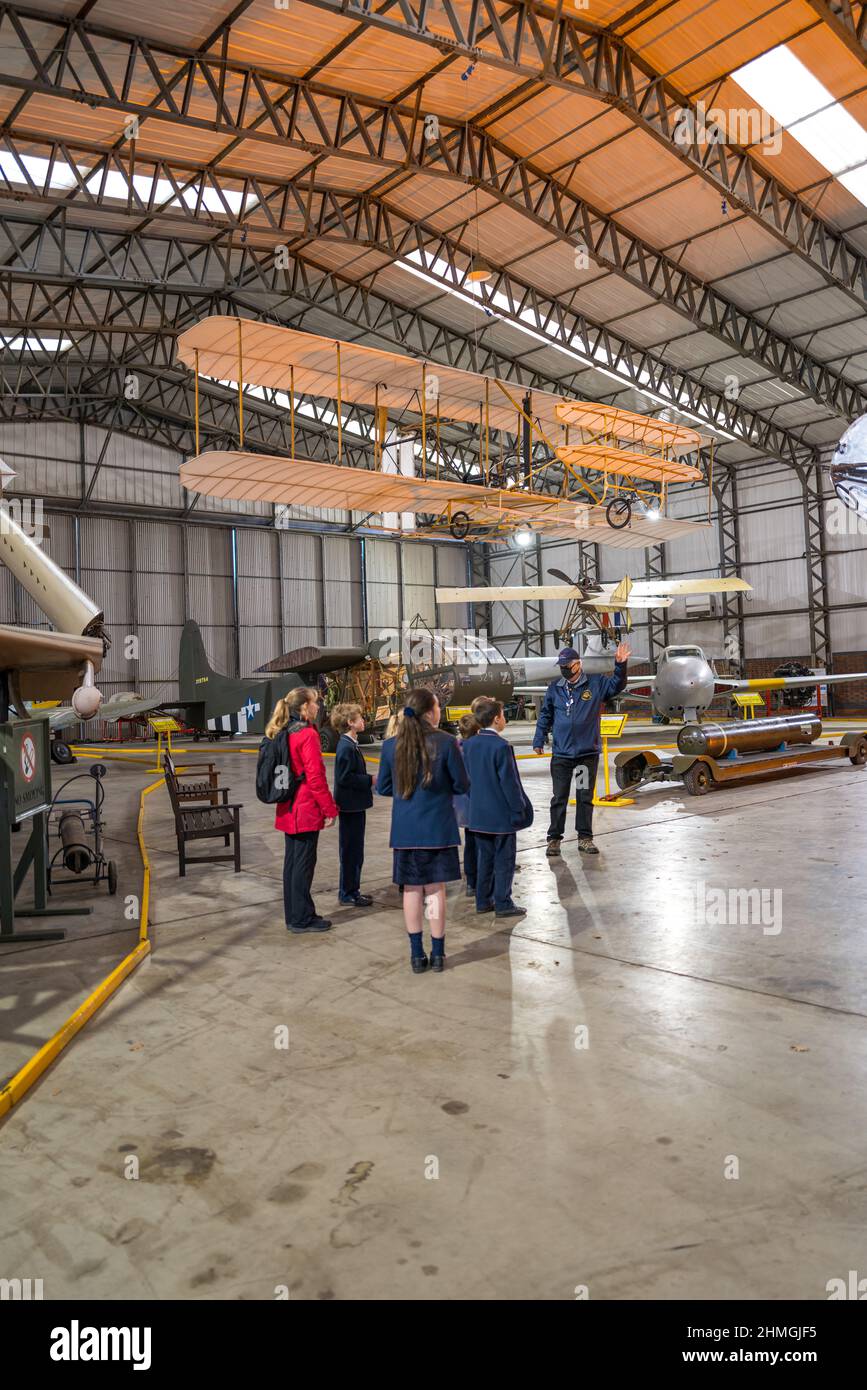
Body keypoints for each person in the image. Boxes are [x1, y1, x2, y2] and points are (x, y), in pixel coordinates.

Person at [376, 687, 469, 974]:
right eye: (439, 706)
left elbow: (384, 786)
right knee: (435, 890)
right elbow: (462, 784)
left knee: (412, 890)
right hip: (438, 828)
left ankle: (417, 955)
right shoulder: (446, 742)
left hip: (406, 830)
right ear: (430, 711)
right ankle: (438, 954)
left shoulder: (391, 746)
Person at [533, 642, 631, 857]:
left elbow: (617, 685)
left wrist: (620, 665)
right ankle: (554, 840)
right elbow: (546, 715)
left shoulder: (596, 684)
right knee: (559, 798)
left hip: (585, 757)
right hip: (561, 756)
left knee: (584, 796)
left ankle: (585, 838)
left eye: (568, 665)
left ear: (578, 664)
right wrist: (539, 738)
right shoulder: (555, 688)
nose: (564, 668)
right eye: (562, 665)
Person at [268, 686, 338, 933]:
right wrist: (329, 809)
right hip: (305, 808)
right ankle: (300, 919)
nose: (318, 707)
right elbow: (316, 777)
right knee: (303, 865)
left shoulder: (284, 730)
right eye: (315, 703)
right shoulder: (307, 734)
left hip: (287, 806)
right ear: (304, 707)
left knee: (292, 864)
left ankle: (297, 914)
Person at [463, 696, 533, 918]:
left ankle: (483, 900)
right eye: (503, 716)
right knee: (504, 861)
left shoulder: (469, 744)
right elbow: (509, 783)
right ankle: (503, 902)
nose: (505, 720)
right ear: (496, 719)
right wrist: (518, 808)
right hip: (500, 816)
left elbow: (464, 779)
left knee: (485, 859)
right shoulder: (501, 746)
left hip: (477, 814)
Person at [331, 702, 374, 908]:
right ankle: (348, 892)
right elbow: (344, 778)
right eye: (359, 718)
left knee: (355, 850)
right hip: (350, 806)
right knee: (351, 850)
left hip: (355, 805)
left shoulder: (350, 744)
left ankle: (352, 889)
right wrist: (369, 780)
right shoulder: (346, 747)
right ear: (350, 722)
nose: (363, 720)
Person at [455, 712, 480, 897]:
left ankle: (471, 881)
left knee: (470, 843)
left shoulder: (457, 747)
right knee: (481, 844)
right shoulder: (476, 748)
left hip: (463, 803)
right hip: (478, 801)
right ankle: (479, 880)